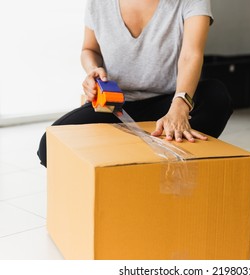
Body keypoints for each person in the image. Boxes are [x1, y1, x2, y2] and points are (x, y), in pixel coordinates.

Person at [37, 0, 232, 167]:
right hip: (115, 105)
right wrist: (92, 70)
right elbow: (89, 49)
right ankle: (131, 164)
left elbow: (191, 55)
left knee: (216, 95)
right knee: (49, 148)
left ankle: (164, 161)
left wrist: (181, 104)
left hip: (168, 104)